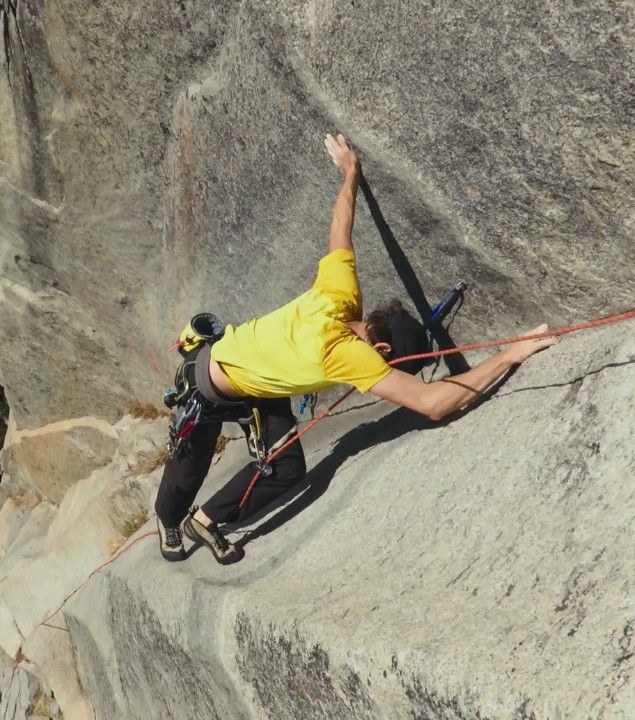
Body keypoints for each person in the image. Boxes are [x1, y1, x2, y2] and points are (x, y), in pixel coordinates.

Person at [156, 134, 557, 565]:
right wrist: (508, 355)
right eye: (391, 363)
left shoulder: (342, 294)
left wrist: (350, 172)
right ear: (380, 346)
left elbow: (340, 229)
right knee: (192, 460)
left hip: (259, 382)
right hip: (210, 383)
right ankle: (169, 518)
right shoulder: (348, 355)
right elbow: (433, 404)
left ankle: (206, 519)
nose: (388, 371)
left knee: (286, 468)